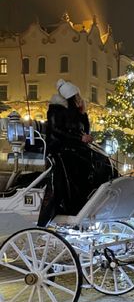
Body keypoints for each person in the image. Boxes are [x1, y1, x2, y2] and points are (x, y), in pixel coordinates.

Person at [38, 80, 118, 225]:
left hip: (75, 147)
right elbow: (57, 131)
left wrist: (83, 117)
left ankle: (95, 198)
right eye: (76, 96)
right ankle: (75, 205)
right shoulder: (56, 109)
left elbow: (83, 131)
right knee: (82, 163)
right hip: (60, 149)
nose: (79, 98)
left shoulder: (76, 113)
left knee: (101, 160)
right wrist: (80, 137)